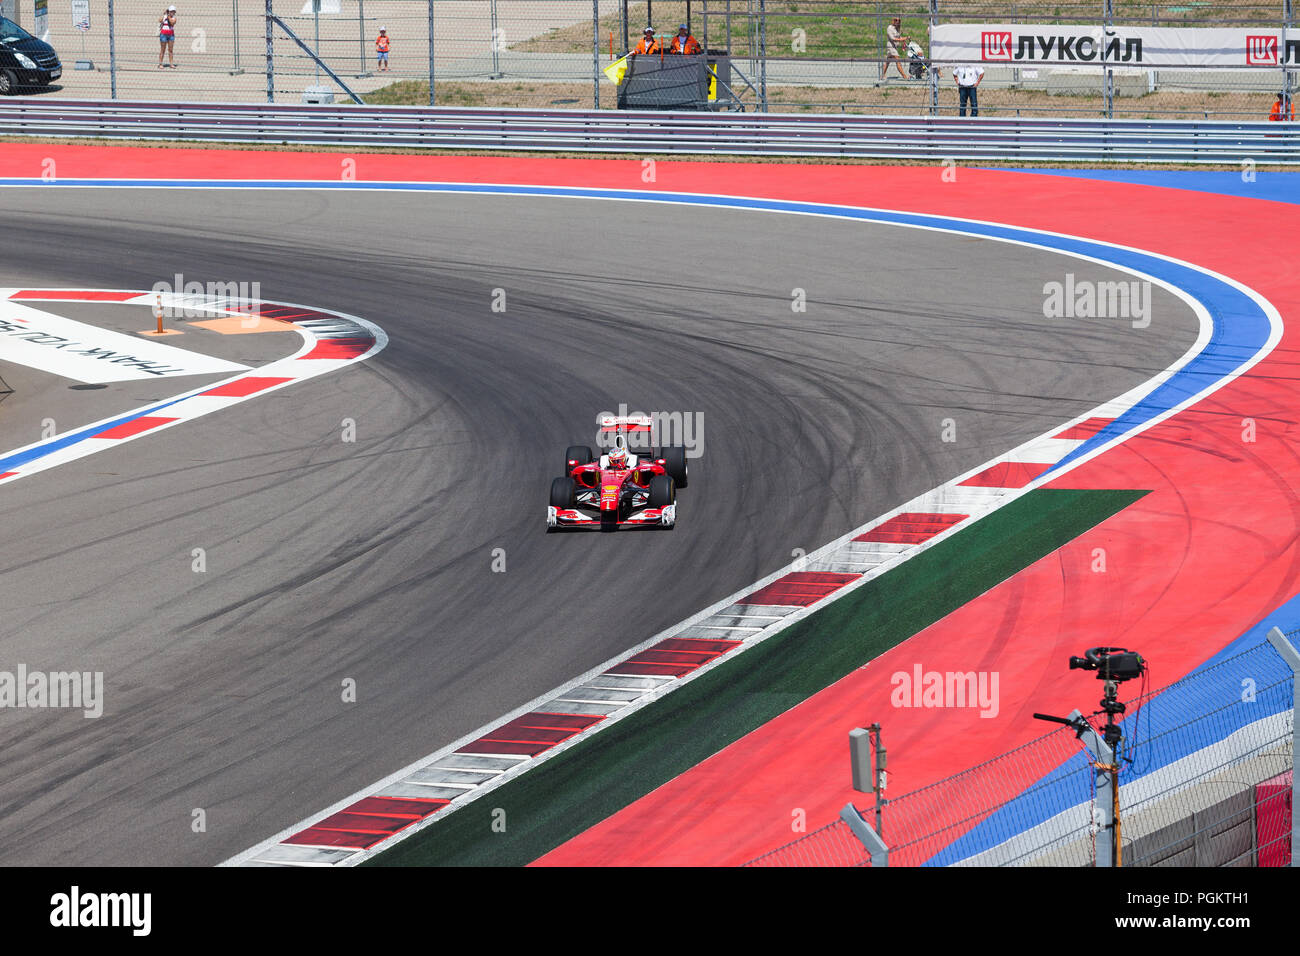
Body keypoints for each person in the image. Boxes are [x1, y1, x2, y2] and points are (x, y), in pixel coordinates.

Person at [158, 5, 176, 69]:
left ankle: (171, 64)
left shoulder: (173, 18)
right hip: (163, 34)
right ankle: (160, 63)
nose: (172, 13)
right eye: (171, 11)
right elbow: (159, 20)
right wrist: (164, 15)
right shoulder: (165, 17)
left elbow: (172, 23)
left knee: (170, 50)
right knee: (163, 50)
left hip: (171, 35)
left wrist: (168, 17)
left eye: (173, 11)